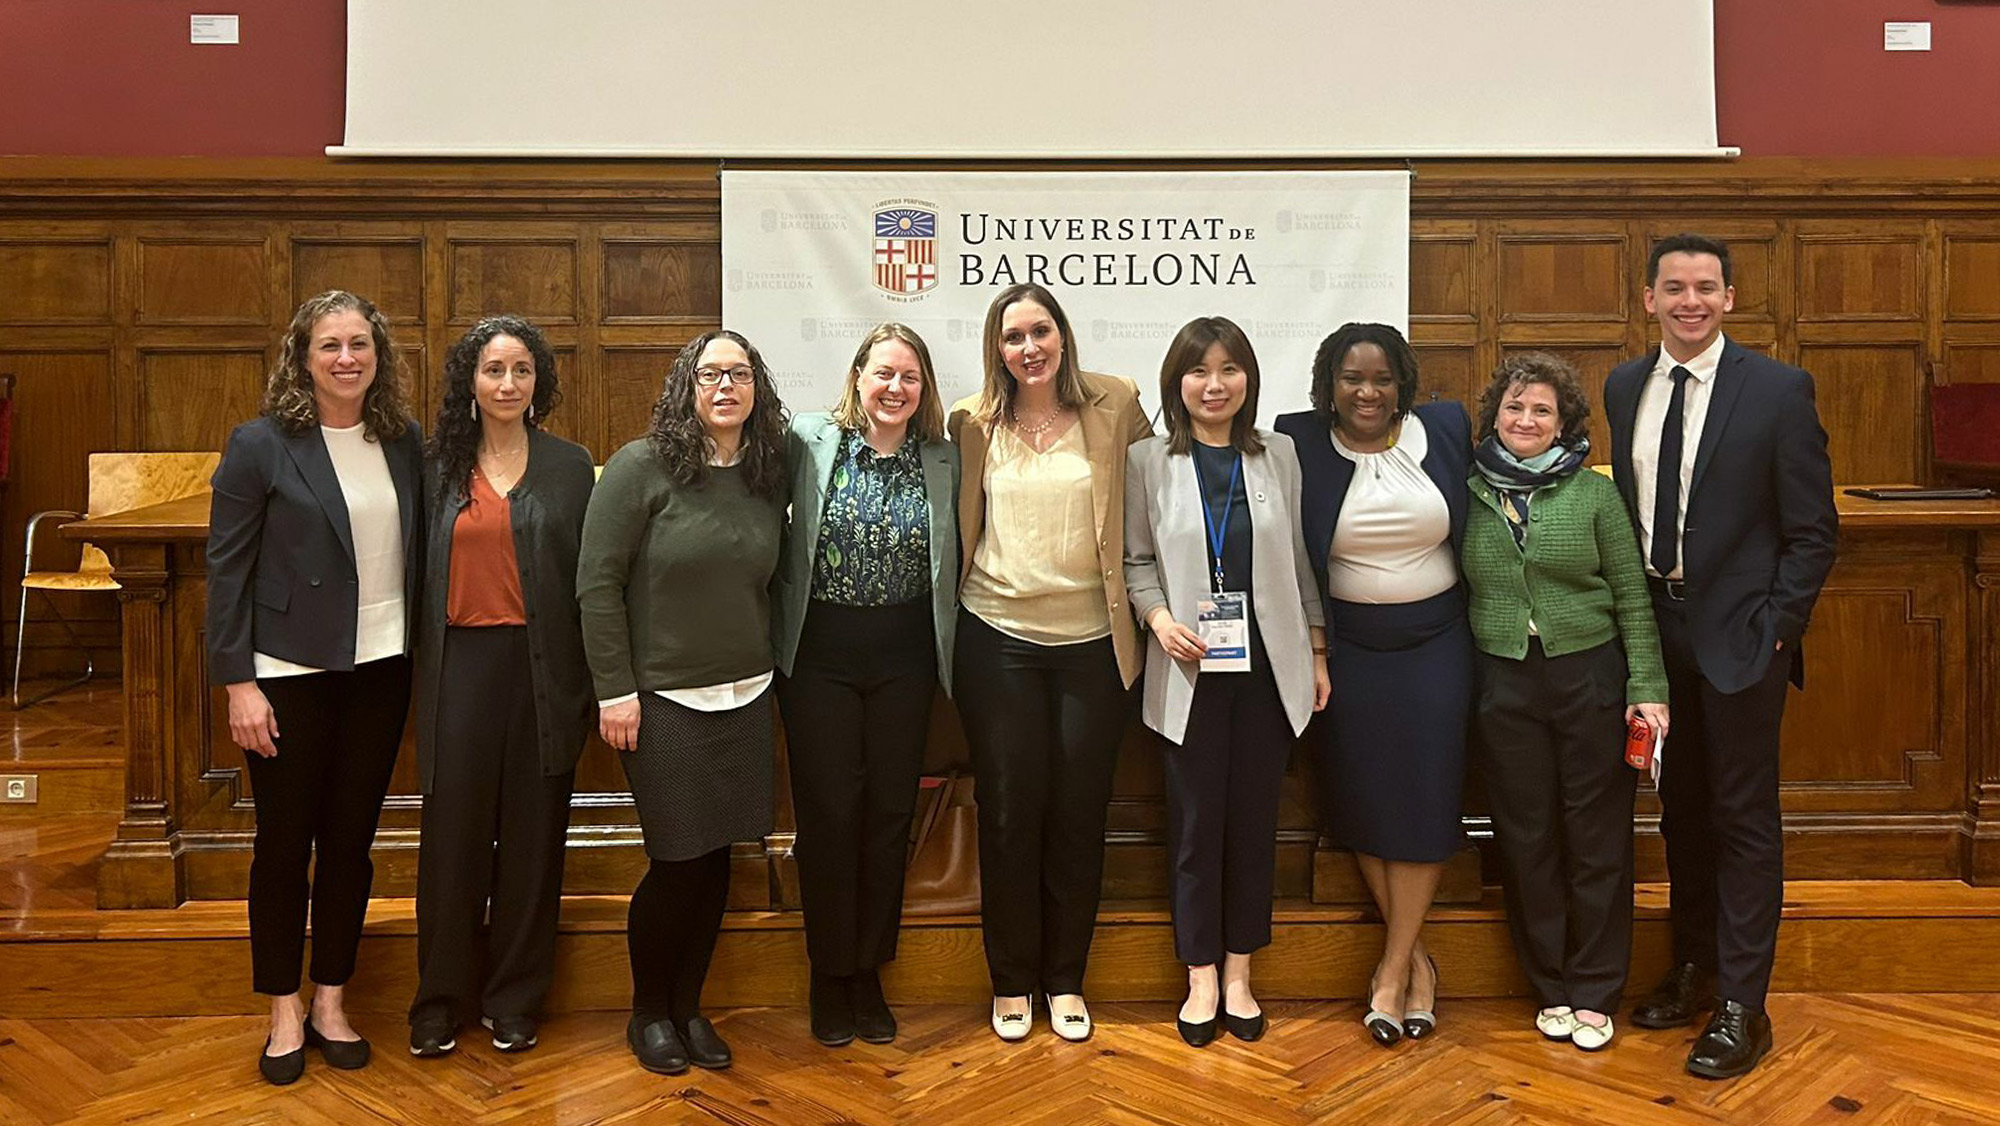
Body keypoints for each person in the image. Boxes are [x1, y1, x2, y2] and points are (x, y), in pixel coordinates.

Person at [1607, 233, 1837, 1078]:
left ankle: (1745, 1004)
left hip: (1744, 644)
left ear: (1730, 299)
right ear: (1649, 299)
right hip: (1655, 640)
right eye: (1674, 287)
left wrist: (1777, 627)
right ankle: (1696, 967)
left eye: (1706, 287)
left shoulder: (1778, 391)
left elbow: (1813, 531)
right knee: (1681, 814)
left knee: (1744, 820)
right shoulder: (1625, 384)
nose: (1690, 301)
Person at [205, 290, 422, 1085]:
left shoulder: (401, 441)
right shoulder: (262, 444)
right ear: (303, 356)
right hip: (287, 679)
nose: (345, 359)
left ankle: (332, 997)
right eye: (329, 345)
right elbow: (225, 570)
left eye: (359, 344)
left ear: (378, 355)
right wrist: (238, 682)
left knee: (350, 848)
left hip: (380, 670)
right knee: (282, 849)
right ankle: (282, 1009)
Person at [577, 330, 791, 1076]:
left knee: (718, 862)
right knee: (675, 861)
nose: (725, 387)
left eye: (739, 374)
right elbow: (596, 585)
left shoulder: (770, 472)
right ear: (686, 387)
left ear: (756, 387)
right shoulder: (642, 469)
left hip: (746, 694)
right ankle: (649, 1013)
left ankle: (692, 1008)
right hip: (661, 699)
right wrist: (614, 690)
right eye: (710, 374)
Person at [948, 283, 1152, 1043]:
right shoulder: (970, 419)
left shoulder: (1117, 401)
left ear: (1063, 336)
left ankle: (1065, 979)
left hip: (1092, 645)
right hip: (996, 635)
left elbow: (1154, 501)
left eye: (1040, 331)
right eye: (1012, 337)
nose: (1027, 347)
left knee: (1078, 814)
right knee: (1006, 814)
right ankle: (1010, 982)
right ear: (995, 349)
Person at [1123, 316, 1330, 1048]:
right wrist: (1156, 618)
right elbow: (1135, 559)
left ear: (1248, 377)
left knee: (1254, 827)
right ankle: (1200, 975)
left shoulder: (1281, 453)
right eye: (1199, 370)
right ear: (1176, 382)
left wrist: (1316, 649)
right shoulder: (1147, 458)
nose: (1215, 384)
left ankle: (1240, 972)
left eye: (1230, 369)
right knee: (1194, 829)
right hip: (1189, 670)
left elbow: (1301, 561)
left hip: (1270, 670)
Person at [1460, 352, 1670, 1052]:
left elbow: (1635, 599)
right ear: (1495, 416)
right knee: (1525, 837)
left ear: (1564, 423)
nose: (1526, 420)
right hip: (1503, 681)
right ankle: (1548, 984)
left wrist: (1647, 688)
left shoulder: (1594, 496)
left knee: (1597, 837)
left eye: (1541, 410)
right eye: (1515, 407)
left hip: (1589, 678)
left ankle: (1595, 989)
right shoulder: (1467, 491)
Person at [1275, 323, 1471, 1049]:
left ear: (1403, 384)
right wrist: (1316, 650)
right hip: (1347, 649)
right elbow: (1288, 551)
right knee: (1359, 796)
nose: (1367, 391)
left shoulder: (1445, 430)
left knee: (1426, 793)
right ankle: (1415, 959)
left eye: (1382, 378)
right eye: (1352, 378)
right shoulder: (1296, 441)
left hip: (1438, 644)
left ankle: (1392, 968)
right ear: (1329, 383)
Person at [407, 315, 595, 1058]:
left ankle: (515, 998)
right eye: (494, 370)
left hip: (546, 670)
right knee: (451, 840)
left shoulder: (570, 466)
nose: (508, 383)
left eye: (521, 370)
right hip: (460, 668)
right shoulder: (433, 467)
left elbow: (591, 581)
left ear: (538, 380)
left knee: (533, 838)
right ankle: (439, 999)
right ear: (470, 381)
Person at [773, 323, 961, 1048]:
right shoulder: (812, 441)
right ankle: (828, 974)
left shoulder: (942, 456)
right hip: (819, 652)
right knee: (830, 814)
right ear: (857, 376)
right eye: (884, 373)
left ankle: (869, 972)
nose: (895, 388)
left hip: (906, 655)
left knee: (887, 816)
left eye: (909, 377)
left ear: (924, 389)